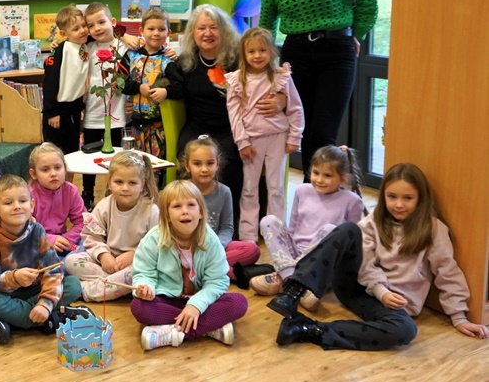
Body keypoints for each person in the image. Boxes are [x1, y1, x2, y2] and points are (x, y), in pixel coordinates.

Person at [267, 163, 489, 349]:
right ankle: (293, 292)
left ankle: (308, 329)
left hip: (391, 305)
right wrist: (380, 290)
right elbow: (365, 263)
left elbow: (447, 272)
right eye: (392, 197)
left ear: (421, 198)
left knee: (405, 330)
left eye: (408, 198)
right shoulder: (374, 220)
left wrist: (459, 316)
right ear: (383, 196)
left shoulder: (434, 230)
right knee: (347, 229)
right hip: (357, 287)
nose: (399, 204)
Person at [259, 0, 378, 178]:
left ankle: (322, 196)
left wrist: (357, 33)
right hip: (296, 52)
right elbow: (267, 22)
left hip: (336, 52)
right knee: (301, 126)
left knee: (324, 131)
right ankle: (308, 197)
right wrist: (263, 62)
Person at [164, 5, 285, 229]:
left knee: (226, 161)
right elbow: (167, 80)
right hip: (197, 126)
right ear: (193, 33)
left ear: (224, 31)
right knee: (186, 157)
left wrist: (282, 100)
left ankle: (230, 223)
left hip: (233, 127)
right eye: (201, 28)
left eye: (214, 27)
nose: (207, 33)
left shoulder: (239, 61)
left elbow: (272, 78)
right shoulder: (186, 61)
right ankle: (187, 222)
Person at [0, 175, 89, 345]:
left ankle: (14, 320)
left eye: (22, 201)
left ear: (32, 205)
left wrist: (45, 302)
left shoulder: (37, 230)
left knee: (73, 285)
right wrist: (15, 278)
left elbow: (54, 269)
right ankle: (48, 319)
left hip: (34, 289)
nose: (17, 207)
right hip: (3, 293)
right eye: (8, 203)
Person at [131, 181, 248, 350]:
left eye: (191, 205)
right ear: (167, 216)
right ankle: (209, 328)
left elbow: (217, 282)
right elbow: (143, 273)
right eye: (177, 206)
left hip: (201, 301)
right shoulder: (152, 239)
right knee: (139, 307)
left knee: (239, 303)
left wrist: (195, 306)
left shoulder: (211, 240)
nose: (185, 211)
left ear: (201, 212)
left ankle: (171, 333)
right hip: (167, 299)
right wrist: (145, 287)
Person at [250, 145, 366, 301]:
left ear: (343, 178)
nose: (319, 180)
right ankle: (291, 276)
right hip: (295, 253)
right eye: (316, 173)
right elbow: (292, 228)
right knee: (268, 221)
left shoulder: (353, 201)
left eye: (327, 176)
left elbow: (351, 243)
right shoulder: (302, 190)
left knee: (330, 229)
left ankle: (288, 279)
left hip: (323, 263)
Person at [225, 27, 304, 242]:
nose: (257, 55)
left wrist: (294, 137)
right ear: (244, 54)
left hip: (278, 138)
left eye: (262, 50)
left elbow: (296, 108)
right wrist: (242, 142)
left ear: (272, 52)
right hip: (251, 141)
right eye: (251, 51)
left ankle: (276, 234)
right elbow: (234, 115)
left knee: (275, 187)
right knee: (249, 189)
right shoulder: (236, 80)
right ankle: (248, 234)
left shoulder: (281, 77)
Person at [65, 151, 160, 301]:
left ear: (142, 184)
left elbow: (159, 245)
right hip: (108, 262)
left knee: (134, 273)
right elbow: (91, 236)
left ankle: (85, 291)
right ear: (110, 182)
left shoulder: (151, 211)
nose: (125, 188)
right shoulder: (104, 206)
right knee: (70, 262)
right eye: (119, 182)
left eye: (132, 183)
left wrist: (135, 254)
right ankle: (119, 287)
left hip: (137, 264)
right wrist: (103, 255)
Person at [180, 136, 260, 280]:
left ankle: (201, 271)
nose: (204, 169)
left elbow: (227, 227)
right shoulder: (181, 191)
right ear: (187, 166)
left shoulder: (224, 192)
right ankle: (232, 273)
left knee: (252, 250)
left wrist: (216, 246)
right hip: (187, 248)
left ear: (217, 164)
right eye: (197, 164)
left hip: (216, 246)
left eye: (210, 163)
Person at [80, 2, 131, 208]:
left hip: (117, 115)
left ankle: (114, 195)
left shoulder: (125, 48)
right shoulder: (87, 49)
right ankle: (87, 194)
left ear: (113, 22)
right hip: (92, 116)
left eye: (101, 22)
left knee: (118, 161)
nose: (97, 28)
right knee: (89, 161)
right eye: (91, 25)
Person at [122, 6, 174, 161]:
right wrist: (138, 87)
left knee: (155, 168)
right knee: (132, 166)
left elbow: (180, 87)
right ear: (142, 30)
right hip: (134, 127)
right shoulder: (131, 55)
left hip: (158, 127)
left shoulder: (169, 60)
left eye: (161, 29)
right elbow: (119, 82)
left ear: (168, 33)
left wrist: (166, 92)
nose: (156, 33)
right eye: (151, 29)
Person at [41, 5, 89, 154]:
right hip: (57, 111)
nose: (82, 30)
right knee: (55, 154)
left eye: (84, 26)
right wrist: (52, 112)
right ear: (63, 34)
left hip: (73, 110)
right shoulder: (62, 50)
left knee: (72, 152)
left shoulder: (84, 45)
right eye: (76, 29)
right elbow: (49, 82)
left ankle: (69, 178)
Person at [28, 142, 84, 259]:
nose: (53, 174)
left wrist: (66, 239)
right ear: (34, 174)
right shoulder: (27, 196)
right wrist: (49, 240)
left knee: (89, 246)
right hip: (37, 245)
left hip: (63, 241)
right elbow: (22, 229)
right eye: (45, 170)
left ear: (65, 168)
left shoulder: (70, 191)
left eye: (58, 168)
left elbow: (82, 222)